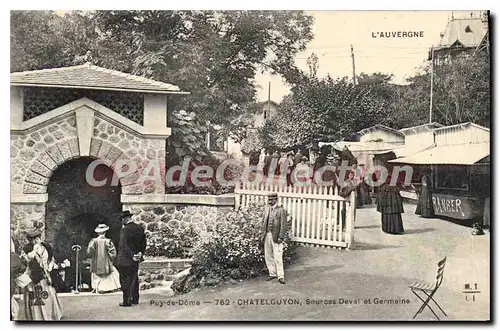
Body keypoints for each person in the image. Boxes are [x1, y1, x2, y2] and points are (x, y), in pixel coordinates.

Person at [21, 229, 63, 320]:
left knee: (49, 293)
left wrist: (50, 266)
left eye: (37, 238)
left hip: (45, 274)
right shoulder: (27, 248)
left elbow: (51, 259)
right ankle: (37, 317)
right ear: (29, 240)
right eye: (33, 239)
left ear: (40, 238)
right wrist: (34, 250)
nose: (36, 240)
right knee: (35, 296)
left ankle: (50, 315)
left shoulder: (47, 247)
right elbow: (27, 260)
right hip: (33, 275)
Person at [116, 211, 146, 307]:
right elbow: (143, 243)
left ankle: (126, 301)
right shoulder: (139, 228)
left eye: (122, 220)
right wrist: (140, 253)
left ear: (125, 219)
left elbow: (123, 245)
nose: (122, 222)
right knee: (134, 278)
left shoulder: (124, 230)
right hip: (136, 259)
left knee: (125, 280)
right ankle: (135, 299)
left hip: (125, 259)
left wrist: (132, 255)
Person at [260, 192, 287, 284]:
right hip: (267, 234)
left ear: (276, 200)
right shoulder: (267, 209)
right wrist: (262, 234)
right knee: (268, 255)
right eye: (269, 199)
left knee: (278, 256)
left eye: (271, 199)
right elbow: (264, 221)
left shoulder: (281, 210)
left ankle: (281, 276)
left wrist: (281, 237)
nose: (269, 201)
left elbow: (283, 225)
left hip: (276, 236)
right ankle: (272, 273)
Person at [87, 224, 121, 294]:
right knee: (109, 273)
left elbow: (89, 252)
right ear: (105, 232)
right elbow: (113, 253)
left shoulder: (93, 241)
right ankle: (106, 288)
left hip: (96, 262)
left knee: (96, 274)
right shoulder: (108, 241)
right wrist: (112, 259)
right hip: (106, 261)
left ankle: (98, 287)